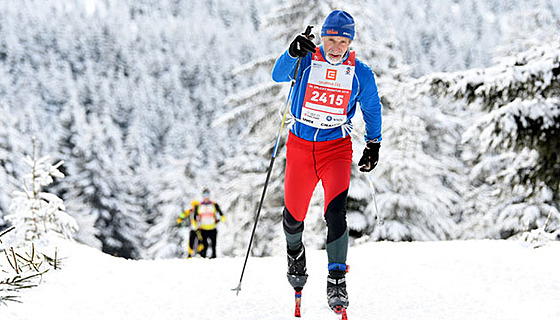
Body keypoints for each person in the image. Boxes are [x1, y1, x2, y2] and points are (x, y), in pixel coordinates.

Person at [271, 10, 382, 311]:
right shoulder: (306, 59)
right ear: (322, 37)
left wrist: (374, 143)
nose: (335, 47)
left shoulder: (360, 73)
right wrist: (292, 52)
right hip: (300, 148)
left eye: (342, 41)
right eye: (330, 40)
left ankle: (337, 280)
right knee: (294, 218)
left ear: (350, 42)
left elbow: (371, 108)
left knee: (335, 214)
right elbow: (278, 74)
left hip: (335, 149)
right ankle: (295, 255)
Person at [190, 188, 225, 259]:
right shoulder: (199, 206)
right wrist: (196, 225)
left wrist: (219, 220)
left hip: (212, 228)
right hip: (203, 228)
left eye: (207, 195)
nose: (206, 197)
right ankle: (203, 260)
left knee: (213, 245)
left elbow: (222, 215)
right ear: (202, 196)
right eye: (204, 195)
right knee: (204, 245)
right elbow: (194, 217)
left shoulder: (214, 205)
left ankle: (214, 258)